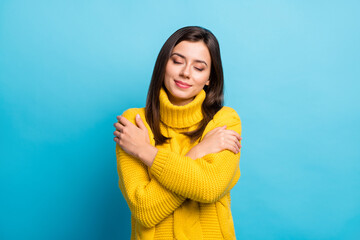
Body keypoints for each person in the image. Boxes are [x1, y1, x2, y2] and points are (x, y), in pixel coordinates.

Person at [113, 26, 242, 240]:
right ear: (163, 63)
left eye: (199, 68)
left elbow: (209, 188)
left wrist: (145, 151)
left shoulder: (224, 121)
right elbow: (144, 209)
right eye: (177, 61)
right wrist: (199, 151)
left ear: (210, 77)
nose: (185, 73)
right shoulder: (135, 121)